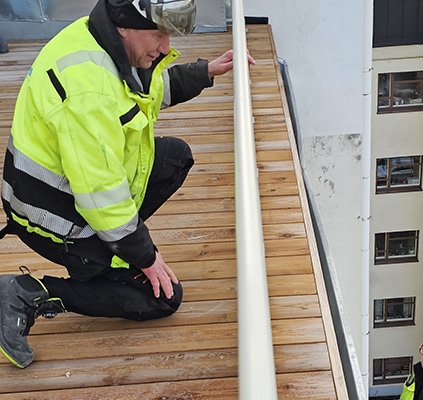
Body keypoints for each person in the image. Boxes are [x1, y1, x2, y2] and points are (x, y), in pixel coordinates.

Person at [0, 0, 254, 369]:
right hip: (50, 216)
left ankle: (103, 251)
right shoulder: (88, 90)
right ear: (125, 25)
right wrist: (145, 257)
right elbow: (100, 192)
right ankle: (27, 292)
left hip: (65, 190)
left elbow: (145, 93)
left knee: (174, 157)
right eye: (159, 35)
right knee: (163, 298)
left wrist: (206, 71)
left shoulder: (103, 42)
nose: (165, 47)